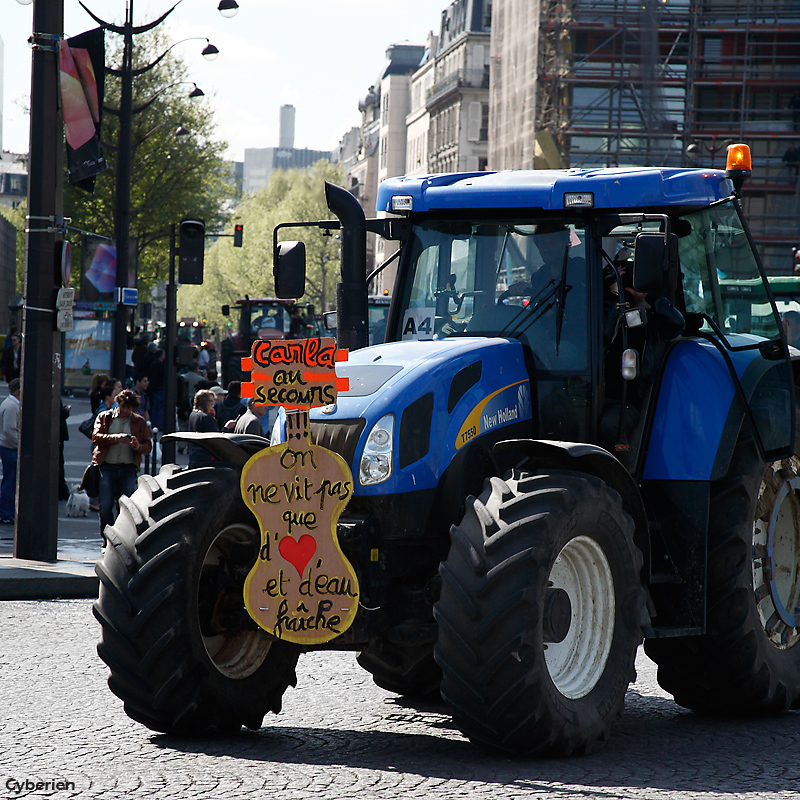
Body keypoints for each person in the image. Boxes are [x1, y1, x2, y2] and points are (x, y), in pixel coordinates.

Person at [92, 389, 151, 544]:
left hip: (128, 469)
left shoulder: (139, 422)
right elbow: (96, 437)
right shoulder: (105, 417)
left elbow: (148, 446)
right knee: (105, 507)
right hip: (107, 468)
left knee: (126, 508)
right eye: (123, 407)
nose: (125, 411)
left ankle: (120, 538)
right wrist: (116, 438)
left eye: (129, 409)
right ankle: (107, 537)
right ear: (118, 404)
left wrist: (137, 446)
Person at [0, 379, 21, 523]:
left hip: (7, 446)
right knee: (10, 480)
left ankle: (6, 511)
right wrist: (18, 445)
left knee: (10, 479)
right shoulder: (12, 406)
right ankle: (6, 513)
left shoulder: (10, 404)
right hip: (9, 447)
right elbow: (9, 430)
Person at [187, 389, 219, 467]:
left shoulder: (193, 414)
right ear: (204, 401)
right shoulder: (205, 418)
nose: (212, 404)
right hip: (206, 458)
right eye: (210, 401)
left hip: (194, 456)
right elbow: (217, 438)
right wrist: (226, 428)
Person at [147, 348, 166, 430]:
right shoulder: (159, 365)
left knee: (155, 406)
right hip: (159, 387)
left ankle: (155, 423)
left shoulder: (153, 363)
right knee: (159, 407)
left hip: (154, 388)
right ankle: (159, 424)